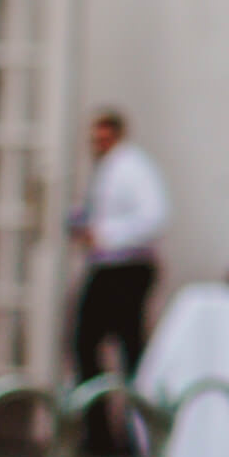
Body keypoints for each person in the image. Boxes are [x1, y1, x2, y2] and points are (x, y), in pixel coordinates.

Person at [64, 108, 167, 390]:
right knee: (89, 343)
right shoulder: (106, 168)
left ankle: (131, 423)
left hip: (126, 268)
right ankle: (100, 426)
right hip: (107, 266)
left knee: (124, 346)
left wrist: (104, 235)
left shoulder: (133, 167)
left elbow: (155, 216)